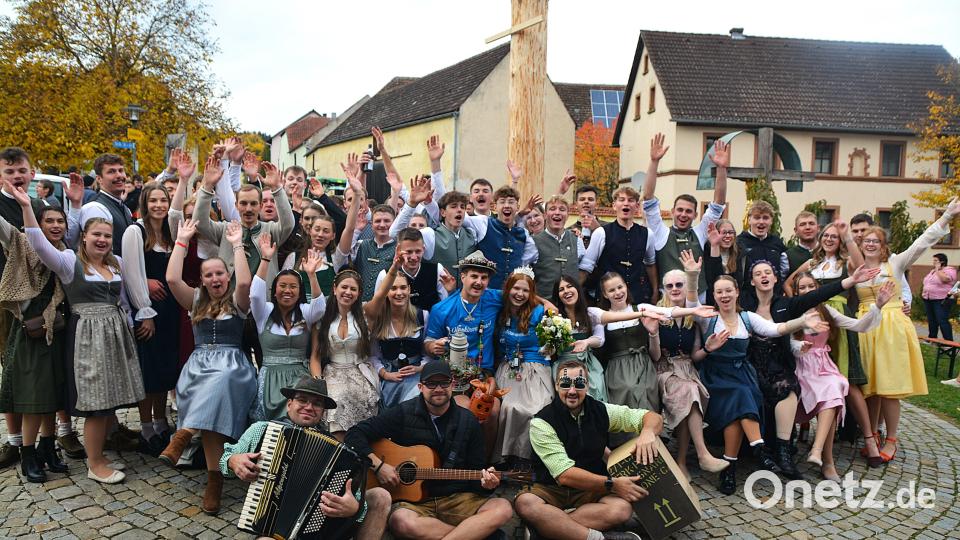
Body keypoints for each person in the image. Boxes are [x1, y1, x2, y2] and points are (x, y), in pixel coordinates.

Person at [19, 185, 146, 485]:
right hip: (87, 338)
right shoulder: (69, 262)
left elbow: (124, 300)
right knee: (95, 403)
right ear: (84, 237)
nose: (102, 240)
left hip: (114, 335)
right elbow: (38, 244)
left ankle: (99, 454)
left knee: (108, 403)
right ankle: (94, 463)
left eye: (107, 236)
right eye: (96, 235)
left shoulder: (116, 264)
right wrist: (27, 207)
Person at [687, 272, 829, 495]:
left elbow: (776, 329)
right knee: (740, 395)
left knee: (738, 410)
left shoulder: (748, 318)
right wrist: (693, 275)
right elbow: (692, 302)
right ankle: (760, 448)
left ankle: (729, 468)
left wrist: (802, 321)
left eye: (728, 290)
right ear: (714, 295)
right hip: (716, 377)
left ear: (736, 293)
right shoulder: (707, 318)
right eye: (719, 291)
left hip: (742, 374)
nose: (724, 295)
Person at [345, 362, 513, 540]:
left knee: (503, 508)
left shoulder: (468, 421)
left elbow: (476, 471)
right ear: (420, 387)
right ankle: (475, 533)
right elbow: (354, 434)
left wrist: (486, 485)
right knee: (401, 522)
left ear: (453, 385)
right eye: (431, 384)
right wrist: (378, 466)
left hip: (456, 499)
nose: (438, 388)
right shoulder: (403, 413)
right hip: (413, 505)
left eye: (444, 383)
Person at [160, 218, 258, 514]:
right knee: (210, 408)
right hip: (199, 365)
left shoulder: (239, 301)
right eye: (209, 275)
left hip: (232, 367)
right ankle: (214, 481)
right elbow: (173, 280)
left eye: (219, 273)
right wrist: (182, 241)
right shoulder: (196, 299)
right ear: (202, 280)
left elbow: (244, 281)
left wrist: (237, 244)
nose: (215, 279)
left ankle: (185, 433)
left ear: (225, 276)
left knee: (220, 381)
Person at [222, 377, 391, 540]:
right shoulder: (261, 430)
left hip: (319, 532)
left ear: (323, 413)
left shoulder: (337, 452)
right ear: (289, 404)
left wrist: (355, 509)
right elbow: (224, 461)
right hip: (272, 528)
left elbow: (357, 499)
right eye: (302, 400)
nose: (309, 407)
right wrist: (232, 461)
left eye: (317, 403)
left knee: (380, 495)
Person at [856, 199, 960, 463]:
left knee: (890, 386)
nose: (870, 244)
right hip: (866, 327)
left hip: (891, 326)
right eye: (866, 240)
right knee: (872, 387)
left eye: (875, 241)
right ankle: (875, 433)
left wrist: (946, 216)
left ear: (883, 245)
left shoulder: (895, 263)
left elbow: (922, 243)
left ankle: (892, 438)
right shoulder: (855, 268)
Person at [515, 359, 663, 540]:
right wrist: (612, 484)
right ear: (556, 386)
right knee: (526, 503)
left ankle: (548, 529)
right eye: (565, 384)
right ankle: (599, 538)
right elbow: (564, 474)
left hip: (589, 489)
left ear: (587, 385)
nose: (571, 391)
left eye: (578, 384)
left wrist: (647, 432)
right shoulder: (542, 422)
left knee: (622, 510)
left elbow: (651, 417)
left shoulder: (601, 410)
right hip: (551, 489)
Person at [783, 221, 882, 465]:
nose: (829, 239)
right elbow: (790, 282)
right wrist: (794, 302)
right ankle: (805, 436)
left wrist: (847, 235)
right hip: (806, 332)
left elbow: (861, 269)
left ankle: (867, 439)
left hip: (832, 320)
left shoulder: (844, 263)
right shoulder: (812, 264)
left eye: (833, 237)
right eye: (825, 235)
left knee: (846, 381)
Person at [791, 272, 891, 480]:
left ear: (818, 288)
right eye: (803, 288)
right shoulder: (794, 310)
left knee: (835, 386)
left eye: (811, 286)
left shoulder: (826, 311)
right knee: (830, 393)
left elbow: (858, 326)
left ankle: (821, 454)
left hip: (823, 366)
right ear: (796, 291)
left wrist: (878, 306)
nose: (808, 291)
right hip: (800, 366)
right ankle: (823, 458)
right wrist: (801, 346)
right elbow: (785, 339)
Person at [0, 200, 70, 483]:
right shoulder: (22, 245)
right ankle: (27, 455)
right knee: (33, 398)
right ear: (37, 225)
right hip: (30, 332)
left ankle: (47, 448)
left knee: (52, 393)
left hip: (56, 329)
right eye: (49, 221)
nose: (55, 225)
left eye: (60, 221)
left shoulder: (66, 252)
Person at [121, 182, 180, 455]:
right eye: (153, 201)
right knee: (148, 372)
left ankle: (160, 421)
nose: (159, 205)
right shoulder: (136, 231)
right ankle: (146, 429)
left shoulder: (168, 232)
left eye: (163, 200)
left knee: (163, 372)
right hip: (149, 312)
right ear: (145, 204)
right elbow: (131, 273)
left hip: (170, 311)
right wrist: (145, 311)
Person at [653, 269, 729, 479]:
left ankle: (682, 461)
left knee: (690, 399)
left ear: (686, 288)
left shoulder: (692, 318)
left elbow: (695, 356)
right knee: (690, 391)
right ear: (663, 289)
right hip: (664, 370)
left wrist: (708, 348)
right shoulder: (658, 314)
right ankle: (703, 454)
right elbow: (654, 355)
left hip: (687, 369)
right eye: (670, 286)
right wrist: (652, 335)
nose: (675, 289)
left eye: (679, 285)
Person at [250, 235, 326, 421]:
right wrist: (265, 259)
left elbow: (320, 308)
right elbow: (255, 295)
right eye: (282, 286)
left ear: (300, 292)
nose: (287, 290)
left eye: (293, 287)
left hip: (300, 378)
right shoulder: (264, 312)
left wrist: (311, 275)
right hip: (270, 378)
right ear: (274, 291)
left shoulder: (304, 312)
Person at [642, 133, 728, 298]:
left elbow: (718, 203)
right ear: (672, 211)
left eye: (688, 211)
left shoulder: (701, 232)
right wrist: (654, 162)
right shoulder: (660, 232)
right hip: (668, 300)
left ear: (695, 215)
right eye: (680, 210)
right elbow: (648, 199)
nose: (683, 214)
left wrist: (722, 169)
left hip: (698, 297)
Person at [194, 154, 294, 286]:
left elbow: (288, 224)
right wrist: (207, 186)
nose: (248, 209)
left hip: (263, 301)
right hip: (229, 299)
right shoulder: (225, 229)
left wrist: (277, 189)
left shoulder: (270, 230)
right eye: (243, 203)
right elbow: (199, 223)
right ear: (236, 205)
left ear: (261, 206)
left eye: (253, 204)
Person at [491, 268, 553, 465]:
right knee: (510, 408)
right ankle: (507, 458)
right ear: (508, 288)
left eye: (525, 290)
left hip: (535, 368)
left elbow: (550, 346)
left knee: (540, 408)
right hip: (510, 368)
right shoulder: (500, 310)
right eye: (516, 288)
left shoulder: (539, 312)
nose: (520, 294)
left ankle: (533, 460)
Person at [312, 269, 379, 439]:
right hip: (333, 373)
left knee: (360, 407)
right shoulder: (323, 317)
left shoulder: (365, 315)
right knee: (336, 399)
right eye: (344, 287)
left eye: (353, 289)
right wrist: (318, 384)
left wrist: (393, 268)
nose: (348, 292)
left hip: (360, 372)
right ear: (334, 289)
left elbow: (381, 294)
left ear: (359, 293)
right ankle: (340, 455)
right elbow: (315, 357)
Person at [580, 186, 658, 305]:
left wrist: (655, 291)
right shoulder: (601, 233)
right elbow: (586, 268)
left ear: (637, 206)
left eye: (630, 200)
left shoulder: (647, 234)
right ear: (614, 205)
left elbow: (650, 265)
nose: (626, 203)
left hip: (637, 298)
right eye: (621, 200)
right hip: (607, 300)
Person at [336, 155, 397, 301]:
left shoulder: (375, 220)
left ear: (366, 201)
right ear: (344, 203)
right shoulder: (344, 226)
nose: (382, 225)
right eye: (349, 200)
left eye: (359, 199)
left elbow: (390, 216)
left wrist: (395, 191)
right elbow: (348, 236)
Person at [374, 225, 455, 311]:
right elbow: (377, 308)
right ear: (398, 250)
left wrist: (451, 292)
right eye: (408, 252)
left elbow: (446, 306)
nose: (414, 257)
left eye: (418, 251)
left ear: (423, 249)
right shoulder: (384, 275)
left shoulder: (437, 270)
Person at [735, 201, 789, 303]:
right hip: (747, 301)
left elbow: (785, 271)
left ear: (771, 221)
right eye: (757, 217)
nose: (761, 222)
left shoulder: (777, 243)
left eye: (765, 218)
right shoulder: (738, 243)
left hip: (775, 301)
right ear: (749, 219)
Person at [531, 196, 584, 298]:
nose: (557, 212)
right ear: (545, 215)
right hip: (544, 303)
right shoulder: (533, 242)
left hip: (571, 304)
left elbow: (583, 269)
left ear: (568, 215)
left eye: (562, 209)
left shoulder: (577, 239)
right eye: (552, 209)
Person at [283, 212, 338, 300]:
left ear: (333, 236)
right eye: (317, 229)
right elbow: (283, 283)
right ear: (310, 231)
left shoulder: (336, 258)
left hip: (327, 311)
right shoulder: (294, 257)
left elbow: (349, 230)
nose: (320, 235)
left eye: (326, 231)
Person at [921, 253, 956, 341]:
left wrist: (937, 269)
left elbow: (945, 279)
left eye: (936, 260)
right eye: (933, 260)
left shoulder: (950, 270)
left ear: (942, 262)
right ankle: (932, 339)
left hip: (941, 299)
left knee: (942, 320)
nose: (933, 262)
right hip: (929, 298)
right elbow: (926, 282)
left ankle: (948, 342)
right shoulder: (932, 271)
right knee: (932, 320)